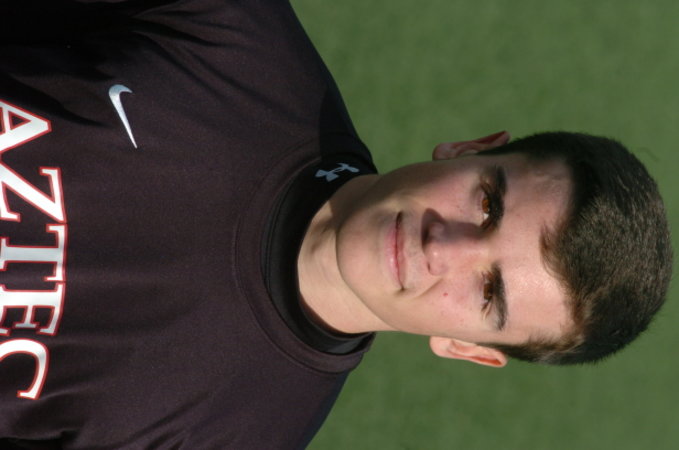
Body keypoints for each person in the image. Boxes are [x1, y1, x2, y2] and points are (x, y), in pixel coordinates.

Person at [0, 0, 671, 449]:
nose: (444, 247)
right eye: (487, 204)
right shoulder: (231, 30)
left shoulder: (229, 437)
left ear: (468, 349)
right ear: (468, 150)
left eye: (489, 291)